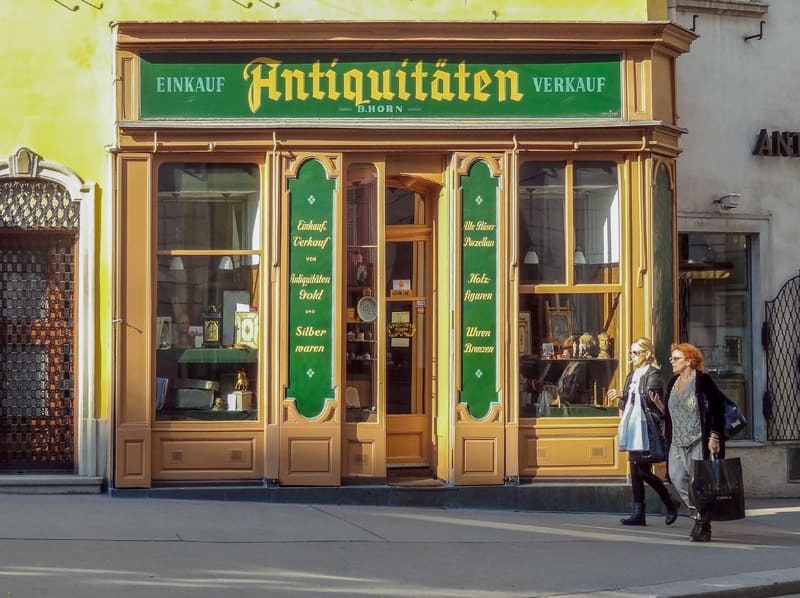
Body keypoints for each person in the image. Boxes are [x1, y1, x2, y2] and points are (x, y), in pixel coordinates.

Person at [607, 337, 678, 527]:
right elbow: (626, 403)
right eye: (631, 352)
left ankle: (670, 502)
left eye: (636, 352)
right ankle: (639, 513)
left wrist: (624, 395)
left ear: (647, 355)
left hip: (646, 428)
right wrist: (620, 399)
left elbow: (650, 398)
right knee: (636, 471)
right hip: (632, 427)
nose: (632, 356)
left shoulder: (654, 374)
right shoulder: (631, 375)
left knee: (642, 471)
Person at [665, 342, 726, 542]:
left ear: (689, 361)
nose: (671, 361)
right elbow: (671, 414)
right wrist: (659, 407)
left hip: (699, 439)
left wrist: (715, 436)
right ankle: (700, 515)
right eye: (671, 358)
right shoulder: (672, 382)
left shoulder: (702, 381)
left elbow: (717, 408)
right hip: (677, 441)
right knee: (677, 477)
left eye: (676, 358)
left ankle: (702, 523)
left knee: (698, 483)